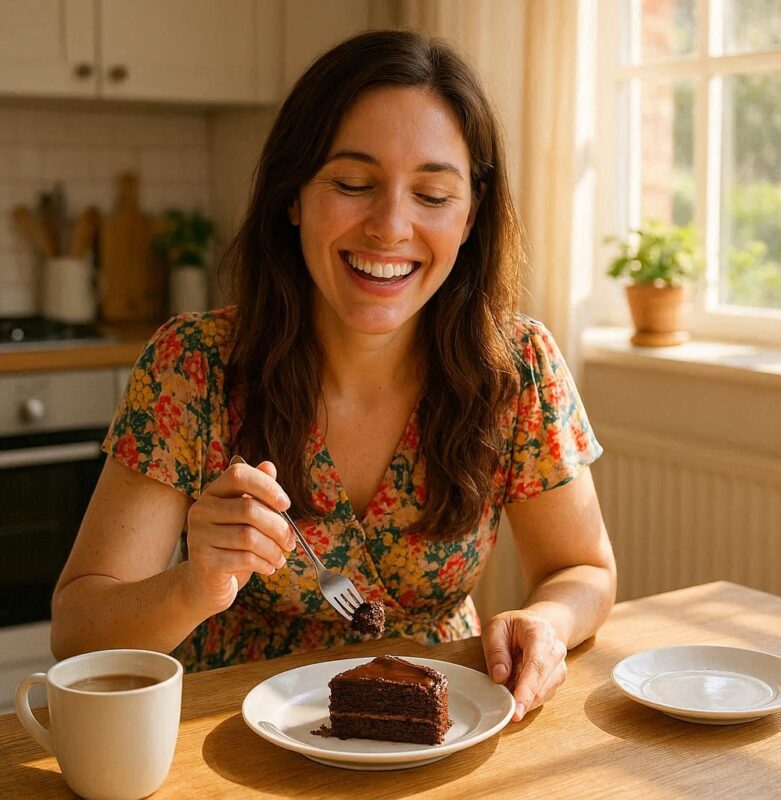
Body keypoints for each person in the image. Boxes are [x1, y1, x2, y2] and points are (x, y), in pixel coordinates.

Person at [52, 29, 616, 722]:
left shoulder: (519, 368)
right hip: (224, 736)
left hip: (441, 727)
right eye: (353, 184)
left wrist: (549, 622)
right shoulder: (192, 366)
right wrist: (195, 585)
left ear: (471, 216)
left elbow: (583, 570)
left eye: (433, 196)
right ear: (293, 196)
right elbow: (78, 630)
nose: (390, 226)